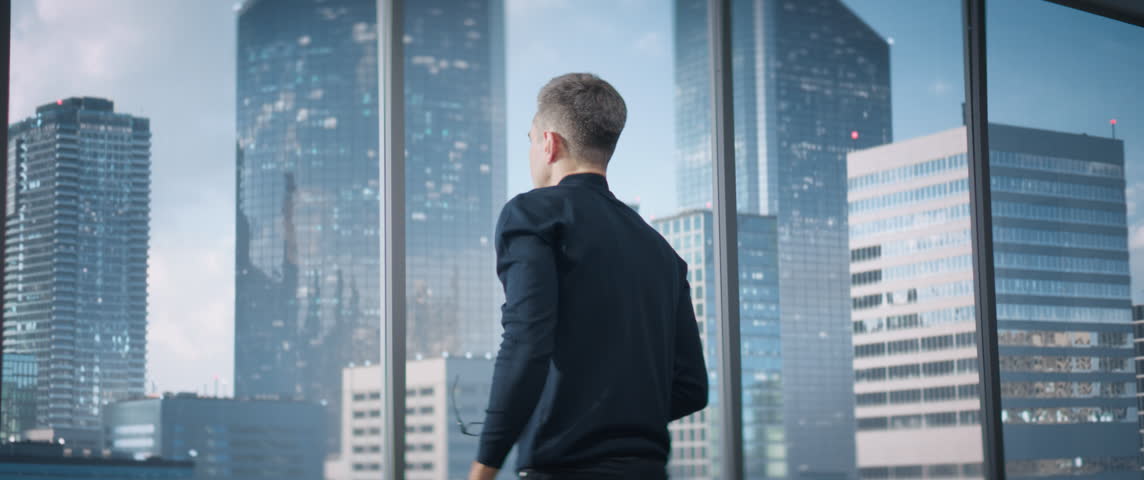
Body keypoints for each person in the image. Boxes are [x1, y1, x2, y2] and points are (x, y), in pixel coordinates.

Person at [468, 73, 709, 480]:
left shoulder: (532, 214)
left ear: (549, 143)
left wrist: (484, 467)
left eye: (530, 138)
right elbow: (691, 387)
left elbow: (526, 341)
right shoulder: (661, 252)